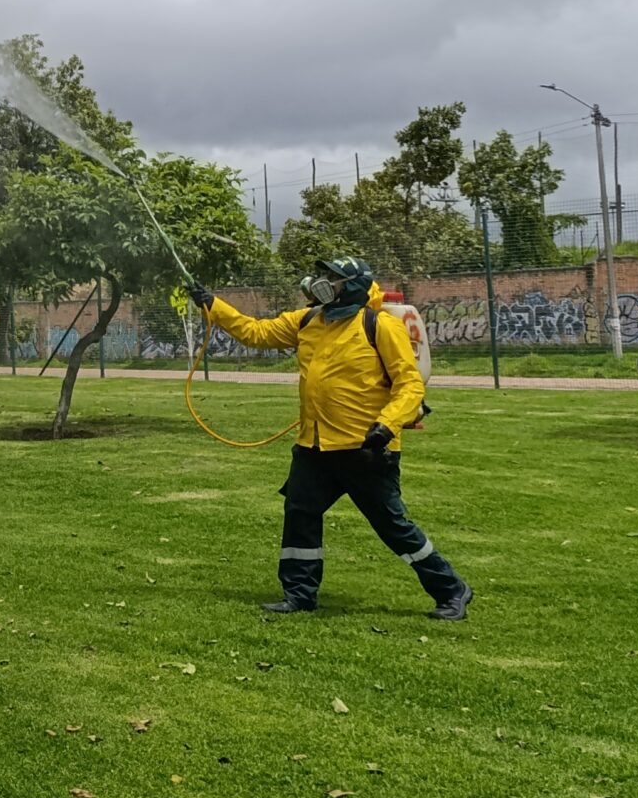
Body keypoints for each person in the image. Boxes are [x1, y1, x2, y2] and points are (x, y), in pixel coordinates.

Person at [189, 257, 472, 620]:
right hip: (314, 446)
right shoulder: (309, 320)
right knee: (300, 512)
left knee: (393, 527)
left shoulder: (379, 325)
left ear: (352, 286)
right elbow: (254, 332)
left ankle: (451, 589)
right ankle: (300, 594)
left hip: (366, 448)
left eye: (332, 278)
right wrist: (214, 305)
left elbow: (409, 383)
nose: (322, 282)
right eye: (323, 276)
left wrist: (386, 426)